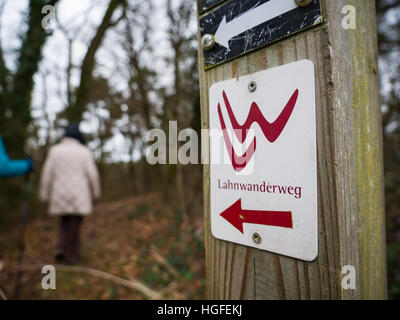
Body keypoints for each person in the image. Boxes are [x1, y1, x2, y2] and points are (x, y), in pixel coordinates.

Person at [39, 123, 101, 263]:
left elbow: (47, 173)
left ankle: (61, 246)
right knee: (75, 222)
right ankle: (72, 254)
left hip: (59, 193)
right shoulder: (84, 151)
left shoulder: (55, 151)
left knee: (64, 220)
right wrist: (96, 191)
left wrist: (44, 193)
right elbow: (93, 174)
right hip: (78, 193)